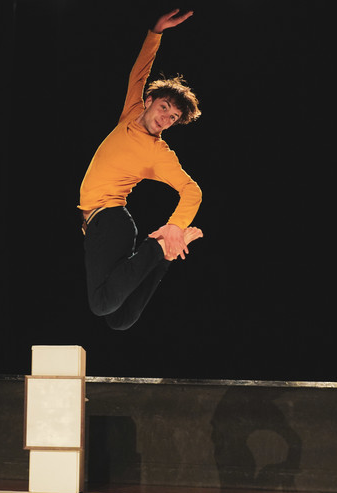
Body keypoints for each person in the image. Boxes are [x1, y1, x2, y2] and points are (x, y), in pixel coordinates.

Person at [79, 9, 204, 330]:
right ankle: (163, 258)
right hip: (99, 225)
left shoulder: (158, 153)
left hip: (111, 221)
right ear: (149, 100)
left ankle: (158, 246)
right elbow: (140, 71)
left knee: (102, 305)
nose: (166, 118)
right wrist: (155, 32)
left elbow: (192, 190)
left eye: (173, 118)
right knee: (118, 319)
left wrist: (174, 226)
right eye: (164, 108)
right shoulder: (131, 112)